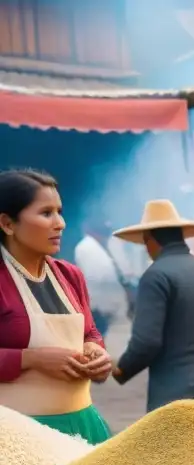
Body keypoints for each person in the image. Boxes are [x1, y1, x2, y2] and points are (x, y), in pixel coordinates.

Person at [0, 169, 113, 443]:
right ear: (7, 224)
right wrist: (32, 359)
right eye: (46, 213)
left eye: (59, 211)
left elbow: (89, 332)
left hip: (81, 425)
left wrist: (95, 350)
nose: (60, 223)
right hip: (16, 436)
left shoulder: (70, 275)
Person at [111, 200, 194, 413]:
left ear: (151, 240)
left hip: (178, 390)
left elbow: (146, 342)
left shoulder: (156, 275)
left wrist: (121, 369)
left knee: (172, 447)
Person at [74, 221, 128, 338]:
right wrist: (98, 306)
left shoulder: (98, 247)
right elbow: (94, 278)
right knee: (97, 339)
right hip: (96, 307)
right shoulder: (87, 248)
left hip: (103, 305)